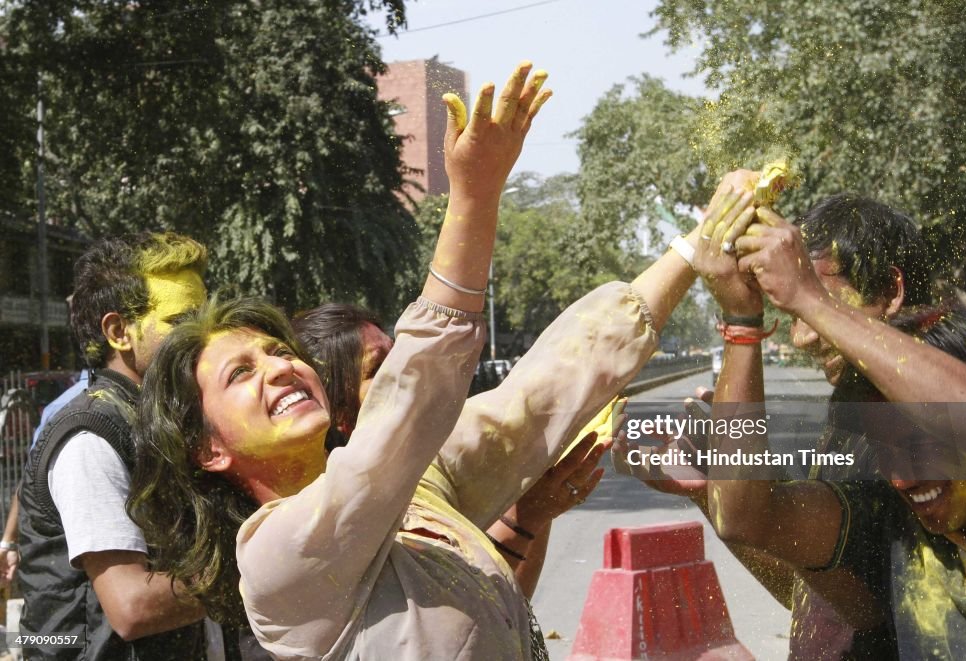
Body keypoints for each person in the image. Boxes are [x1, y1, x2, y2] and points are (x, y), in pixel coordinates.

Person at [127, 61, 715, 659]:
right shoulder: (275, 555)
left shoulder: (418, 490)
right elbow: (412, 400)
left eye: (278, 351)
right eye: (240, 373)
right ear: (210, 450)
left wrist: (697, 245)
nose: (279, 367)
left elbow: (540, 387)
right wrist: (475, 195)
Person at [614, 179, 938, 657]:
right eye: (792, 309)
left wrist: (742, 322)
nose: (802, 338)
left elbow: (753, 518)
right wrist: (710, 487)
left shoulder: (921, 427)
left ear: (891, 291)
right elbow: (815, 594)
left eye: (816, 301)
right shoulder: (851, 410)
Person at [291, 302, 612, 598]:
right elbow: (466, 615)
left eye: (400, 356)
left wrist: (536, 489)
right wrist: (528, 517)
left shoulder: (433, 462)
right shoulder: (344, 518)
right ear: (343, 416)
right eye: (379, 370)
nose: (408, 371)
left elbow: (512, 614)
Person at [17, 232, 210, 659]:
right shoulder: (91, 437)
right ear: (119, 331)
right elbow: (132, 608)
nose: (204, 336)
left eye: (207, 317)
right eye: (182, 322)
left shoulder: (158, 418)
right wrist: (262, 571)